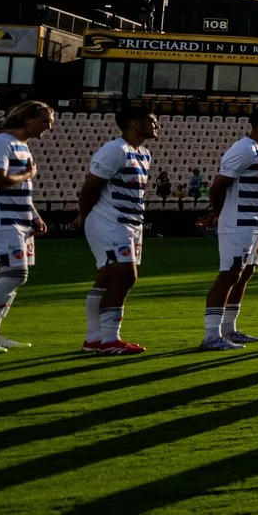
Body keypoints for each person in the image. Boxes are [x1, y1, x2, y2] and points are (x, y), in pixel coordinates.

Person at [0, 100, 52, 355]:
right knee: (15, 275)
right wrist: (27, 175)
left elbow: (18, 189)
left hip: (17, 221)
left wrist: (33, 214)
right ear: (27, 118)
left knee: (10, 276)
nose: (48, 127)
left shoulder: (21, 147)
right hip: (0, 221)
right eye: (45, 121)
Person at [200, 104, 258, 349]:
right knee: (229, 274)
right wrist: (219, 212)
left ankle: (229, 329)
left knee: (245, 274)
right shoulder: (244, 149)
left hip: (257, 223)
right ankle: (211, 335)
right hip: (239, 223)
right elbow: (218, 185)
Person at [78, 105, 156, 354]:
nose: (156, 126)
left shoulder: (143, 153)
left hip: (131, 222)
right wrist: (83, 215)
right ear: (134, 123)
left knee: (105, 278)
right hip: (110, 221)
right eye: (152, 121)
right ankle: (110, 340)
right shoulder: (114, 150)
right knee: (125, 276)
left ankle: (94, 339)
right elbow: (91, 186)